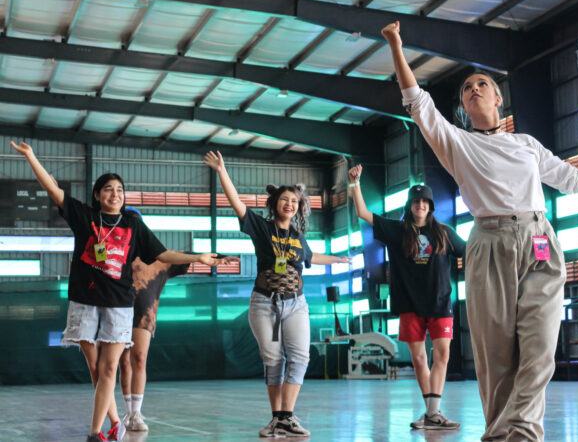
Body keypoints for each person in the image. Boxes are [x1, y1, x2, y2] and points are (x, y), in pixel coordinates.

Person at [381, 21, 578, 441]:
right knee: (496, 356)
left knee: (540, 352)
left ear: (499, 97)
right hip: (489, 243)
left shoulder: (526, 143)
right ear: (464, 108)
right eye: (466, 90)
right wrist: (396, 45)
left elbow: (572, 180)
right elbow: (417, 103)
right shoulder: (457, 142)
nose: (474, 90)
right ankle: (515, 435)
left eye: (481, 84)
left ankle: (509, 431)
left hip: (540, 239)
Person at [10, 141, 233, 442]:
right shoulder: (85, 217)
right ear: (97, 196)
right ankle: (116, 421)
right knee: (94, 367)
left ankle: (94, 433)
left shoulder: (133, 225)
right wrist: (31, 157)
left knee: (110, 366)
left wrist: (199, 258)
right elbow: (53, 188)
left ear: (124, 196)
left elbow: (163, 254)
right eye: (108, 189)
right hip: (85, 302)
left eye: (119, 190)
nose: (115, 194)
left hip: (118, 304)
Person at [204, 150, 350, 438]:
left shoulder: (298, 238)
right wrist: (222, 171)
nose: (290, 204)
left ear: (299, 207)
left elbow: (312, 256)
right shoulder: (261, 228)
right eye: (285, 199)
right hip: (266, 306)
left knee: (300, 357)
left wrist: (337, 259)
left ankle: (286, 417)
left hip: (296, 305)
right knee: (274, 359)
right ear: (275, 203)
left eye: (295, 201)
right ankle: (276, 418)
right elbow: (237, 204)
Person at [348, 165, 466, 431]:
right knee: (419, 358)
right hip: (409, 305)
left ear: (431, 205)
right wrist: (355, 184)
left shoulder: (444, 232)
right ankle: (432, 414)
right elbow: (363, 213)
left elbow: (470, 251)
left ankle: (432, 413)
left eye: (425, 201)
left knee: (443, 355)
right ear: (410, 205)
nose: (420, 205)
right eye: (416, 201)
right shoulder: (397, 230)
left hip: (440, 304)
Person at [118, 207, 191, 432]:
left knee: (139, 358)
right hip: (117, 312)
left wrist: (211, 257)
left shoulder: (160, 259)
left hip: (144, 316)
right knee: (123, 363)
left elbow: (184, 257)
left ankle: (136, 413)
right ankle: (127, 410)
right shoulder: (115, 254)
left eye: (136, 223)